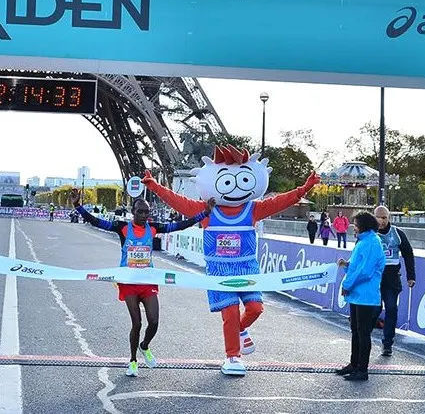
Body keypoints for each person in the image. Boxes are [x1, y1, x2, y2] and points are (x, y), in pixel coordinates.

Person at [142, 145, 319, 375]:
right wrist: (154, 186)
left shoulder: (253, 210)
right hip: (220, 271)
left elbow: (281, 201)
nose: (235, 186)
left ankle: (240, 330)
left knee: (255, 308)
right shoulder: (206, 211)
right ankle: (232, 357)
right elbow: (177, 201)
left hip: (247, 269)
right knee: (231, 312)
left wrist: (305, 188)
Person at [72, 187, 214, 377]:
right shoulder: (122, 227)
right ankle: (132, 361)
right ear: (133, 212)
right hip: (128, 282)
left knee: (154, 322)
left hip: (147, 281)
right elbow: (96, 221)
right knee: (137, 323)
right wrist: (78, 206)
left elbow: (180, 225)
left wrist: (204, 213)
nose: (144, 215)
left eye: (147, 212)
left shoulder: (153, 228)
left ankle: (144, 346)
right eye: (140, 212)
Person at [335, 211, 386, 381]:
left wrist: (347, 284)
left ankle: (362, 369)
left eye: (356, 225)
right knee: (356, 331)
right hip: (359, 294)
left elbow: (365, 271)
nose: (353, 228)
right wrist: (347, 265)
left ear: (363, 226)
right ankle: (354, 364)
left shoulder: (371, 242)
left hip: (366, 295)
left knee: (363, 333)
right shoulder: (364, 241)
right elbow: (357, 266)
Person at [374, 205, 416, 357]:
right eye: (378, 217)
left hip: (392, 279)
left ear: (389, 218)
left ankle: (387, 344)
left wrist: (411, 276)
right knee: (374, 310)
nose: (381, 221)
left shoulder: (397, 233)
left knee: (391, 309)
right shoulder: (370, 234)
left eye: (384, 218)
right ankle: (363, 339)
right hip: (374, 279)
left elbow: (408, 254)